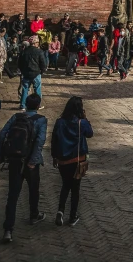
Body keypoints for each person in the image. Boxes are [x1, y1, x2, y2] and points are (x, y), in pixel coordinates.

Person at [0, 93, 47, 243]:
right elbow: (39, 142)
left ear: (25, 104)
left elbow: (1, 135)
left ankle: (8, 229)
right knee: (33, 190)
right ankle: (34, 215)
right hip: (31, 163)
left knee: (13, 195)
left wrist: (0, 155)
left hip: (15, 161)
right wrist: (33, 161)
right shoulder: (41, 120)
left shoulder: (16, 117)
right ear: (38, 106)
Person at [51, 96, 93, 227]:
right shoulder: (82, 123)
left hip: (63, 160)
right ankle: (73, 216)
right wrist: (85, 118)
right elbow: (90, 133)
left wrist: (54, 156)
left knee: (65, 185)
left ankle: (60, 211)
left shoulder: (60, 122)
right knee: (75, 188)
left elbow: (54, 141)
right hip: (77, 160)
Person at [18, 35, 47, 110]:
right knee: (37, 90)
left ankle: (22, 105)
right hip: (36, 73)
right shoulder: (39, 51)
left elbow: (19, 63)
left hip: (26, 73)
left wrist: (22, 71)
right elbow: (43, 63)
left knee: (25, 90)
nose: (38, 44)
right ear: (34, 43)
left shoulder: (24, 51)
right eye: (37, 42)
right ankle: (37, 105)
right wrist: (42, 71)